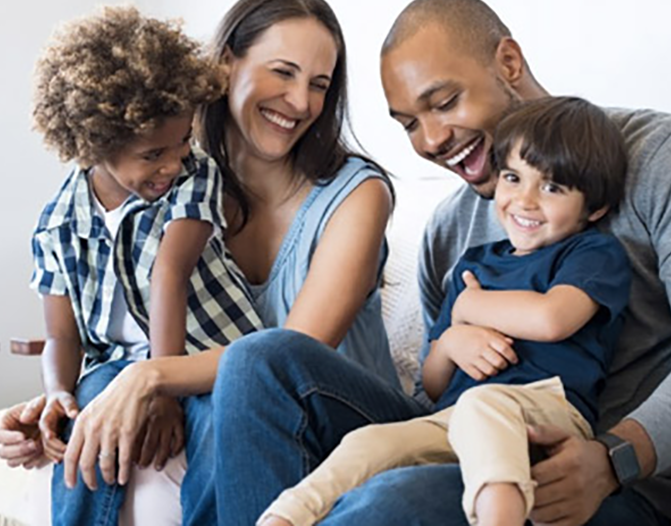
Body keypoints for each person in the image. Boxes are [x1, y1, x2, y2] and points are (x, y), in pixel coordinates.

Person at [206, 0, 671, 526]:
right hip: (460, 440)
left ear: (508, 62)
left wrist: (612, 459)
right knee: (259, 360)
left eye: (444, 102)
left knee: (388, 501)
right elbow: (434, 391)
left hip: (595, 480)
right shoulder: (449, 229)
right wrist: (452, 343)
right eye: (409, 124)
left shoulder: (663, 155)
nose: (431, 140)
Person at [0, 0, 400, 526]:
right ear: (226, 64)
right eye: (283, 72)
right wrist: (59, 401)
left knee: (246, 375)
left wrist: (150, 377)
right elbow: (111, 322)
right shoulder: (165, 177)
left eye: (319, 85)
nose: (302, 102)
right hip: (228, 404)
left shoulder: (356, 194)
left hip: (336, 417)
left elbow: (286, 359)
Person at [259, 96, 631, 526]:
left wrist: (472, 306)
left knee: (482, 405)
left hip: (547, 410)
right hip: (455, 418)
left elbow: (552, 319)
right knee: (370, 442)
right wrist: (453, 340)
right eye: (513, 178)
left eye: (552, 188)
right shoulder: (474, 265)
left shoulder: (590, 252)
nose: (525, 201)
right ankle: (283, 517)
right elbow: (435, 385)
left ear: (595, 208)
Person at [27, 5, 265, 525]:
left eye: (182, 142)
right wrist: (57, 393)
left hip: (206, 355)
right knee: (86, 422)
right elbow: (61, 336)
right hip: (115, 365)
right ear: (97, 144)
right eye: (153, 153)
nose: (173, 164)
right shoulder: (57, 223)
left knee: (218, 423)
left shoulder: (195, 177)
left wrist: (161, 387)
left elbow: (169, 274)